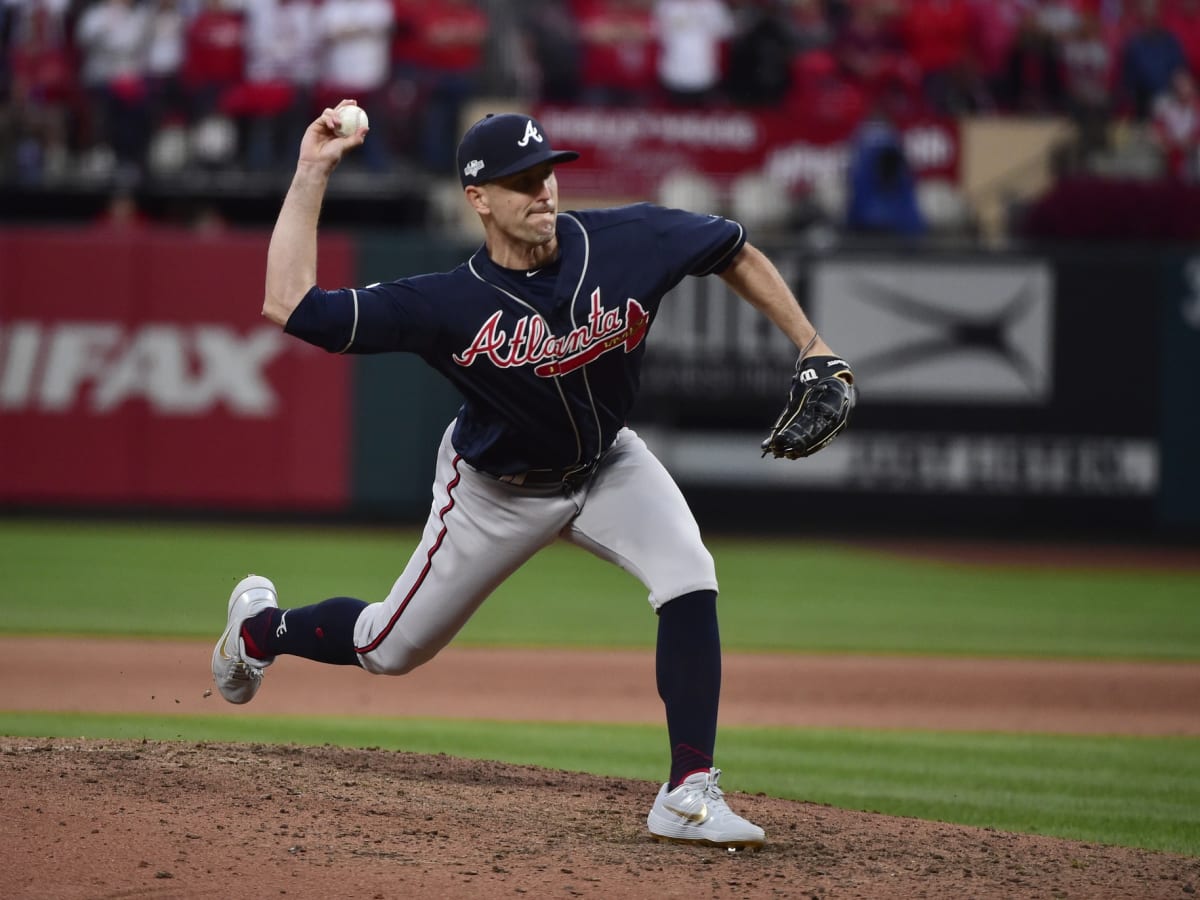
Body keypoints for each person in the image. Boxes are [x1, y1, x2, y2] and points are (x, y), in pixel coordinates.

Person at [211, 103, 855, 849]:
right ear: (478, 198)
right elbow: (292, 306)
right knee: (390, 647)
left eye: (547, 173)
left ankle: (686, 791)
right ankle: (260, 629)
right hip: (494, 491)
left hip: (608, 461)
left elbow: (732, 248)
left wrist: (812, 345)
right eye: (520, 181)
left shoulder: (626, 240)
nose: (542, 191)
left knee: (688, 573)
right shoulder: (447, 303)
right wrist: (312, 171)